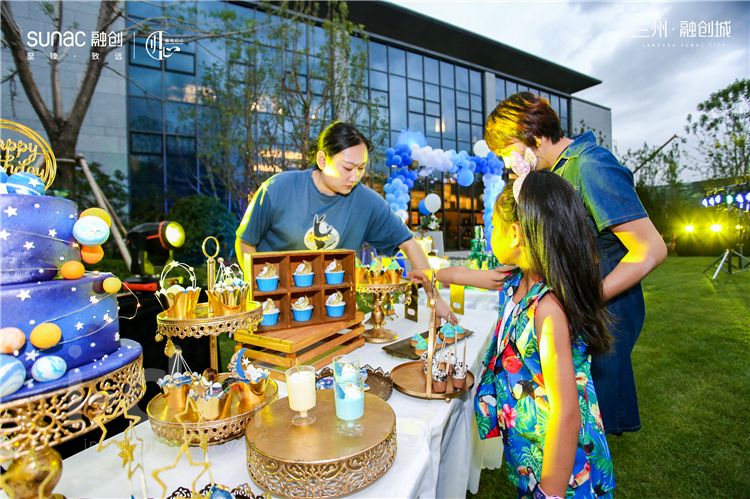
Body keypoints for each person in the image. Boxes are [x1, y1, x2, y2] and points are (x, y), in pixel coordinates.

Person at [483, 92, 667, 435]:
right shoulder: (554, 171)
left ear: (531, 135)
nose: (507, 163)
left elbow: (651, 249)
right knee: (566, 415)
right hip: (576, 305)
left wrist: (583, 300)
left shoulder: (589, 165)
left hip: (604, 306)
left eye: (506, 151)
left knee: (587, 426)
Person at [474, 170, 615, 498]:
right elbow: (473, 277)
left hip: (566, 473)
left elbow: (566, 412)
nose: (490, 232)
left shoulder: (548, 310)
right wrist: (434, 276)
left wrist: (550, 492)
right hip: (533, 455)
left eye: (493, 225)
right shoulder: (518, 281)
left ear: (514, 234)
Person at [235, 121, 456, 323]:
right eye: (348, 168)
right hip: (275, 312)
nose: (355, 177)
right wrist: (258, 294)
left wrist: (434, 297)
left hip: (333, 314)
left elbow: (409, 243)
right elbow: (245, 241)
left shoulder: (367, 202)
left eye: (361, 168)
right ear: (322, 160)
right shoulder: (278, 189)